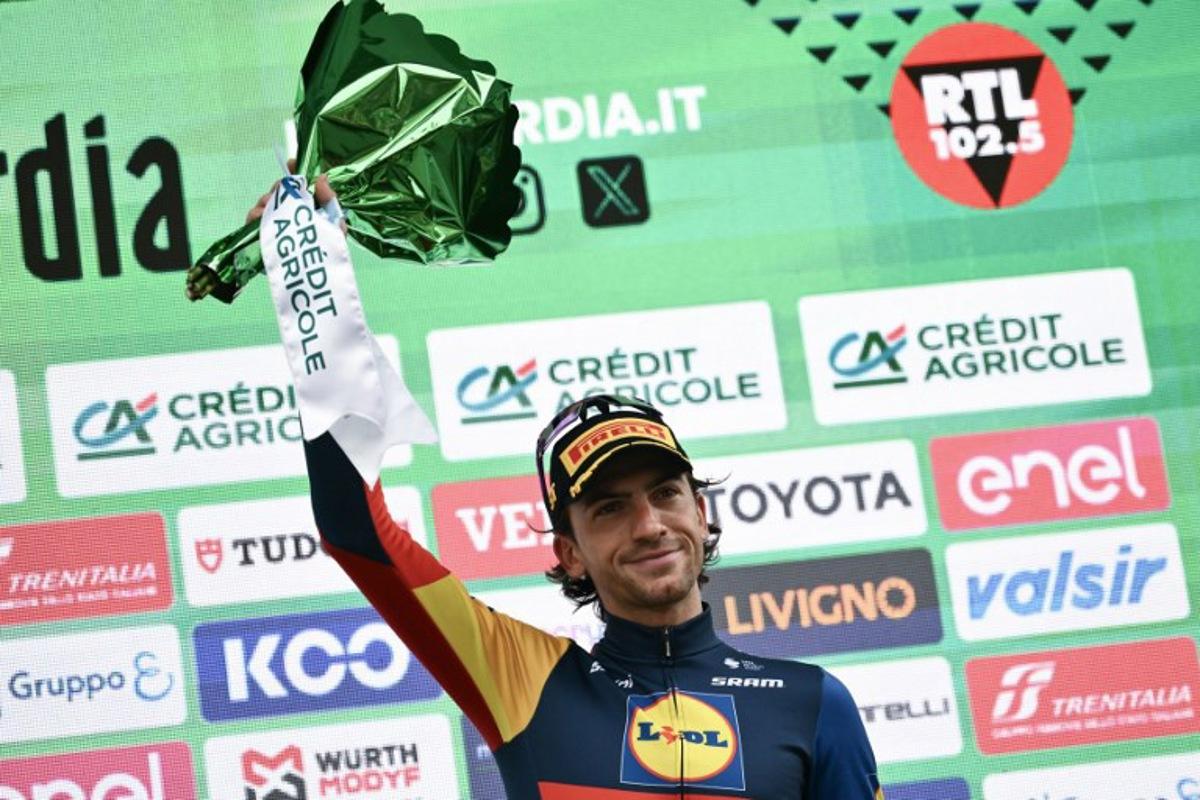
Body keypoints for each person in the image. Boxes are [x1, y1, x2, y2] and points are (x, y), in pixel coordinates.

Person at [226, 180, 884, 799]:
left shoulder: (813, 703)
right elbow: (355, 527)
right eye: (610, 508)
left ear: (701, 511)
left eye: (665, 493)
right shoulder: (520, 677)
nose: (650, 524)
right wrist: (314, 289)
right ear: (570, 553)